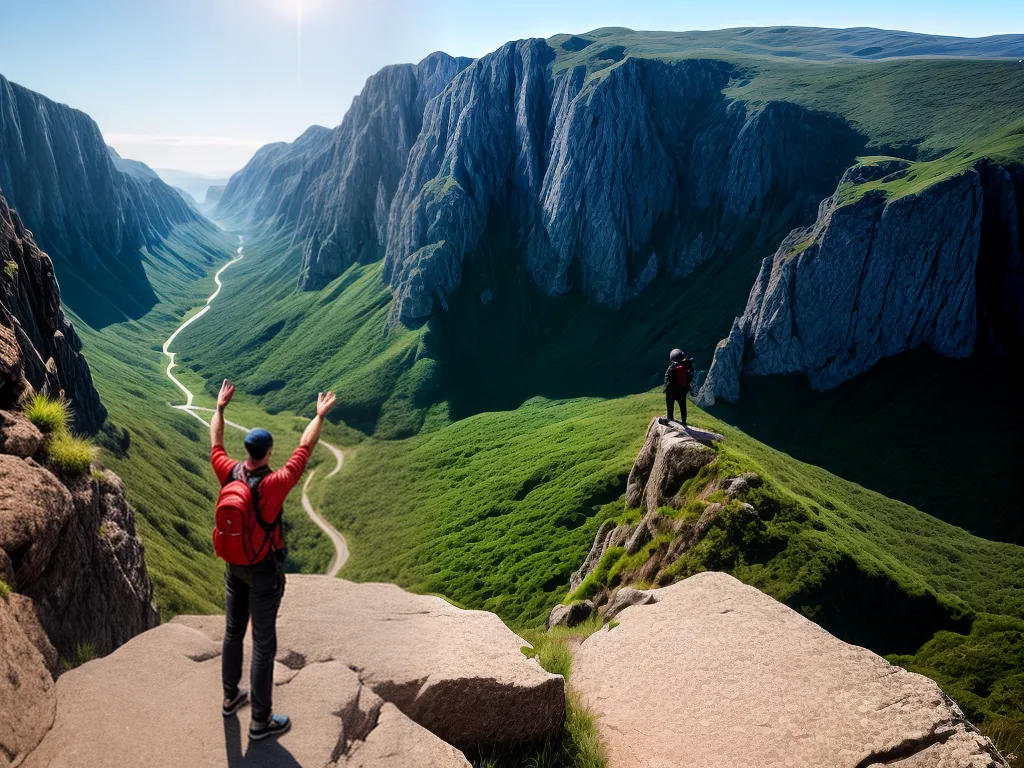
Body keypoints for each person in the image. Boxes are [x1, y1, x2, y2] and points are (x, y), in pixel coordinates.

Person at [210, 379, 336, 741]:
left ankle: (230, 697)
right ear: (267, 452)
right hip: (265, 571)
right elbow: (306, 445)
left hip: (234, 567)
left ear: (247, 451)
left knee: (234, 632)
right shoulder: (275, 483)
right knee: (263, 646)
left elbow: (215, 441)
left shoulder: (227, 471)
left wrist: (220, 409)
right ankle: (260, 722)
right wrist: (319, 415)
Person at [661, 348, 694, 425]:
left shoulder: (671, 368)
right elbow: (691, 376)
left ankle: (670, 419)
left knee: (670, 407)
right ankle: (684, 422)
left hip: (671, 392)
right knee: (683, 407)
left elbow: (666, 378)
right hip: (682, 392)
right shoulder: (687, 365)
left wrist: (666, 389)